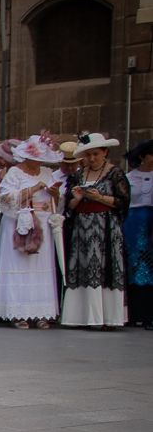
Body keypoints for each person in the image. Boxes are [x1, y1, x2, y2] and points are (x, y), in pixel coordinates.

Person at [0, 136, 63, 328]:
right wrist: (33, 189)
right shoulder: (14, 172)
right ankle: (18, 312)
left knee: (40, 267)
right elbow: (5, 199)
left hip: (42, 222)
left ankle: (41, 312)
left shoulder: (48, 173)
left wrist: (55, 194)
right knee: (19, 266)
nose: (39, 162)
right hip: (20, 222)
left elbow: (57, 201)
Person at [62, 132, 129, 329]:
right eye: (88, 155)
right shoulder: (78, 175)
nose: (92, 159)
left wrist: (99, 197)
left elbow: (123, 201)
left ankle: (109, 317)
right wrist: (78, 197)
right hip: (83, 226)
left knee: (106, 267)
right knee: (83, 266)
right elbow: (70, 206)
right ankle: (83, 316)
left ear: (105, 152)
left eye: (96, 154)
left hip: (106, 226)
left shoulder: (115, 173)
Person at [124, 139, 153, 328]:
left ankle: (149, 314)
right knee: (133, 265)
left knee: (149, 266)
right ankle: (133, 313)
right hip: (132, 221)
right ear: (143, 157)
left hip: (150, 220)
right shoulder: (129, 177)